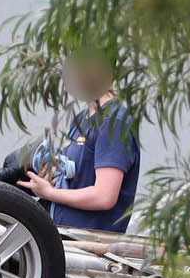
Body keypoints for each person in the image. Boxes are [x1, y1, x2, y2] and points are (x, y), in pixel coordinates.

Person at [14, 49, 141, 233]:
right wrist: (49, 178)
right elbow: (76, 176)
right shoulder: (82, 118)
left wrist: (50, 193)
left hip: (88, 244)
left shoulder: (114, 122)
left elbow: (104, 196)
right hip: (60, 233)